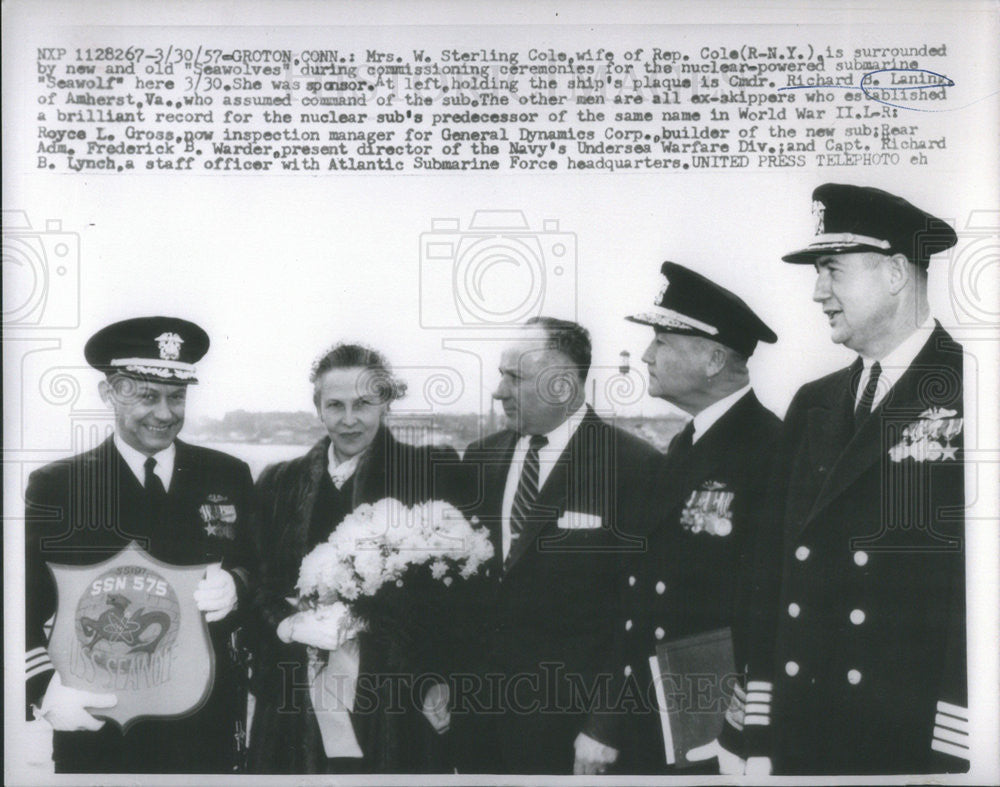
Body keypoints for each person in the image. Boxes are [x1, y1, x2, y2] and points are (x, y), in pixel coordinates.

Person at [739, 184, 968, 774]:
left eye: (832, 270)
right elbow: (770, 572)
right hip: (801, 733)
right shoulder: (813, 403)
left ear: (895, 272)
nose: (818, 293)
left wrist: (960, 750)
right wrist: (753, 728)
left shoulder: (976, 390)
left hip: (904, 739)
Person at [24, 316, 256, 774]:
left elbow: (259, 568)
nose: (165, 413)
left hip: (204, 725)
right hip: (99, 724)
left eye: (177, 396)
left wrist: (238, 585)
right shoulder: (58, 486)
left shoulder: (227, 474)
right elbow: (18, 604)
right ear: (108, 393)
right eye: (147, 396)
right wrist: (43, 688)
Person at [579, 262, 781, 775]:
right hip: (654, 724)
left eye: (663, 341)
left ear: (713, 358)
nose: (647, 355)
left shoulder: (774, 452)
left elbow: (773, 609)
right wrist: (609, 720)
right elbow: (640, 597)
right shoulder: (685, 444)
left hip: (719, 735)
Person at [451, 316, 661, 775]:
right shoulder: (481, 457)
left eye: (516, 378)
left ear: (564, 386)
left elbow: (641, 613)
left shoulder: (634, 466)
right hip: (479, 725)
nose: (498, 391)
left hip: (573, 735)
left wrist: (606, 723)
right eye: (502, 375)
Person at [247, 343, 466, 774]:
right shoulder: (278, 483)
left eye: (364, 404)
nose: (350, 419)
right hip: (295, 707)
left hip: (394, 704)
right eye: (336, 405)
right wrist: (286, 624)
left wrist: (436, 677)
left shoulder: (428, 471)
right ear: (318, 409)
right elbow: (256, 583)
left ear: (386, 402)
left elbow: (454, 599)